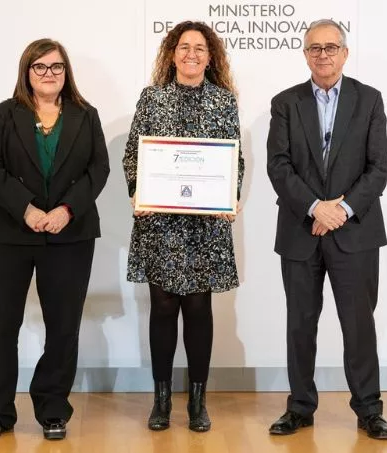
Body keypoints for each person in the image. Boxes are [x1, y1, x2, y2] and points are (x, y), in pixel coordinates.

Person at [0, 38, 109, 440]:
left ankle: (52, 409)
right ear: (27, 72)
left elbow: (98, 170)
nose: (49, 73)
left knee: (63, 327)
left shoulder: (86, 115)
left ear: (66, 72)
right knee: (1, 326)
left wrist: (67, 210)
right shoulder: (6, 113)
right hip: (7, 233)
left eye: (56, 66)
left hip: (70, 233)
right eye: (40, 67)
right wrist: (26, 208)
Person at [266, 19, 387, 440]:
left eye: (331, 47)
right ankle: (300, 408)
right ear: (305, 54)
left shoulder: (369, 100)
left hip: (355, 232)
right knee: (300, 325)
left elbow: (378, 168)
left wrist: (341, 209)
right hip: (300, 232)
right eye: (314, 48)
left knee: (359, 326)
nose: (323, 55)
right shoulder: (285, 102)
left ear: (345, 53)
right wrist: (315, 208)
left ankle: (369, 410)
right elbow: (278, 166)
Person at [122, 20, 244, 433]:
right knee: (162, 308)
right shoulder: (152, 98)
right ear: (172, 54)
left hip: (205, 226)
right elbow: (133, 154)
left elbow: (234, 159)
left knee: (197, 309)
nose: (192, 54)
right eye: (184, 47)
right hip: (160, 223)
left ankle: (197, 402)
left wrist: (230, 195)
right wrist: (137, 192)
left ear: (210, 58)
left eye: (200, 48)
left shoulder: (224, 102)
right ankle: (160, 402)